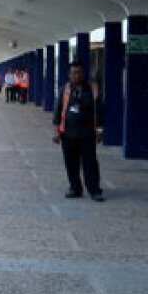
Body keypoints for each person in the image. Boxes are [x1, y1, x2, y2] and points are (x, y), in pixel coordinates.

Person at [52, 61, 104, 201]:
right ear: (69, 74)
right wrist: (57, 132)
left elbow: (99, 111)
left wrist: (99, 130)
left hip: (87, 134)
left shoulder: (92, 89)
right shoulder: (65, 89)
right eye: (74, 72)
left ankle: (94, 190)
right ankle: (75, 188)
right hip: (68, 134)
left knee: (90, 163)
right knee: (71, 163)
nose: (77, 75)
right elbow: (58, 110)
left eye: (79, 72)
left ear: (83, 73)